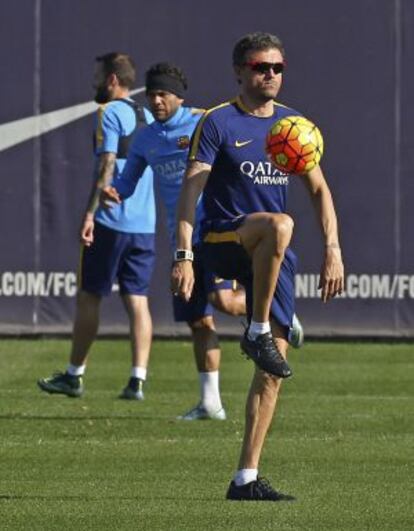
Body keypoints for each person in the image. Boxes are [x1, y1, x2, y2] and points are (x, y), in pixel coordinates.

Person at [171, 32, 344, 501]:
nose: (270, 74)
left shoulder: (295, 127)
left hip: (272, 251)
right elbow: (191, 191)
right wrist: (184, 254)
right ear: (239, 71)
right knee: (280, 223)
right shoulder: (218, 121)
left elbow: (320, 190)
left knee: (273, 369)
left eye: (277, 67)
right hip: (225, 237)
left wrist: (333, 248)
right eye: (260, 67)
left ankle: (245, 478)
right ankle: (256, 328)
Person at [101, 62, 247, 420]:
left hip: (215, 230)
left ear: (179, 96)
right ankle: (210, 403)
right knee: (198, 320)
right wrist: (114, 192)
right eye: (151, 94)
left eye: (163, 93)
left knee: (225, 301)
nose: (156, 100)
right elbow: (128, 182)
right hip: (181, 240)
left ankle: (276, 307)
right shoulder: (146, 138)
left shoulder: (203, 122)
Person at [38, 52, 156, 400]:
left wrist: (90, 213)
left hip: (111, 221)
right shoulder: (149, 114)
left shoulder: (110, 113)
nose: (93, 83)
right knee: (138, 301)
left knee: (90, 296)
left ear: (111, 81)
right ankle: (138, 380)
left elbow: (106, 165)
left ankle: (74, 375)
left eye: (96, 77)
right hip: (144, 226)